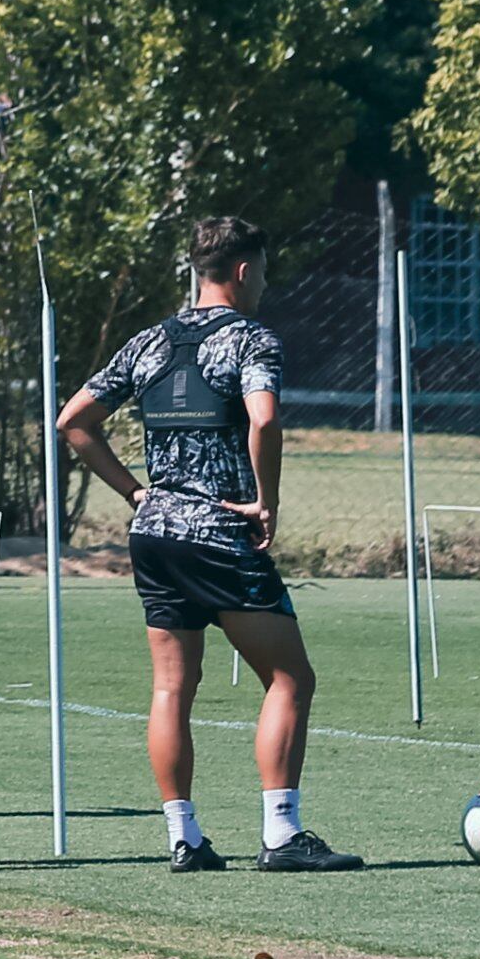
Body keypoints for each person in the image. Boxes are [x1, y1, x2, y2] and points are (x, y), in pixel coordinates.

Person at [58, 212, 359, 873]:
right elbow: (265, 418)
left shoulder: (148, 342)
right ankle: (281, 833)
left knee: (173, 686)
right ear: (244, 270)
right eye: (264, 274)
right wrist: (265, 498)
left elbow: (73, 420)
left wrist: (135, 491)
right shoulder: (252, 339)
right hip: (219, 529)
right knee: (289, 676)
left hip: (155, 530)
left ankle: (184, 837)